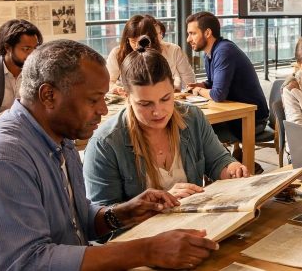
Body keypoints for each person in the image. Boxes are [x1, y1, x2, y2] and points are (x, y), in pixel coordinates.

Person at [0, 40, 219, 270]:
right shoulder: (1, 160)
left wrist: (123, 212)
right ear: (49, 96)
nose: (103, 110)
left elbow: (74, 222)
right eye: (94, 100)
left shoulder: (60, 137)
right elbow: (26, 264)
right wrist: (147, 250)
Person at [84, 37, 247, 206]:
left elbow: (217, 161)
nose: (158, 111)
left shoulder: (192, 118)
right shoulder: (105, 144)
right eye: (145, 104)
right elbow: (103, 219)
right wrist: (158, 203)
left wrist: (231, 169)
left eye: (166, 98)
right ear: (126, 96)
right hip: (144, 232)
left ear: (173, 89)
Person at [185, 11, 269, 172]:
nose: (189, 39)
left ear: (207, 33)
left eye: (192, 33)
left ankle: (236, 167)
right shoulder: (210, 53)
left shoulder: (224, 51)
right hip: (235, 116)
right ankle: (229, 166)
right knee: (198, 127)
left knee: (199, 130)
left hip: (252, 119)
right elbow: (212, 83)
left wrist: (197, 91)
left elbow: (218, 94)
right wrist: (200, 85)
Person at [107, 14, 195, 92]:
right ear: (127, 40)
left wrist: (175, 88)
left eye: (142, 41)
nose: (137, 46)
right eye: (133, 41)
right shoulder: (117, 53)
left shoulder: (173, 50)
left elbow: (189, 82)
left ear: (152, 38)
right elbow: (108, 82)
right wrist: (116, 88)